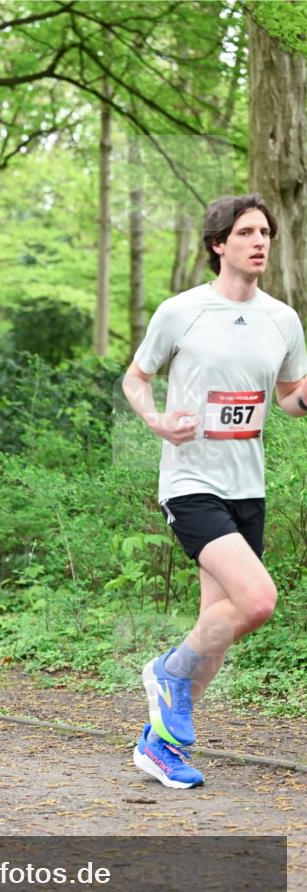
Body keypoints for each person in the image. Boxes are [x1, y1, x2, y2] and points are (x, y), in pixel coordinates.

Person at [122, 192, 307, 788]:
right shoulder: (182, 312)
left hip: (246, 485)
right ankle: (165, 672)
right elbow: (137, 377)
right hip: (190, 481)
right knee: (256, 601)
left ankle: (160, 747)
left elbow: (289, 398)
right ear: (218, 244)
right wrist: (155, 420)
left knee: (217, 626)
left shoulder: (283, 319)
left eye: (266, 233)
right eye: (248, 232)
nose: (260, 242)